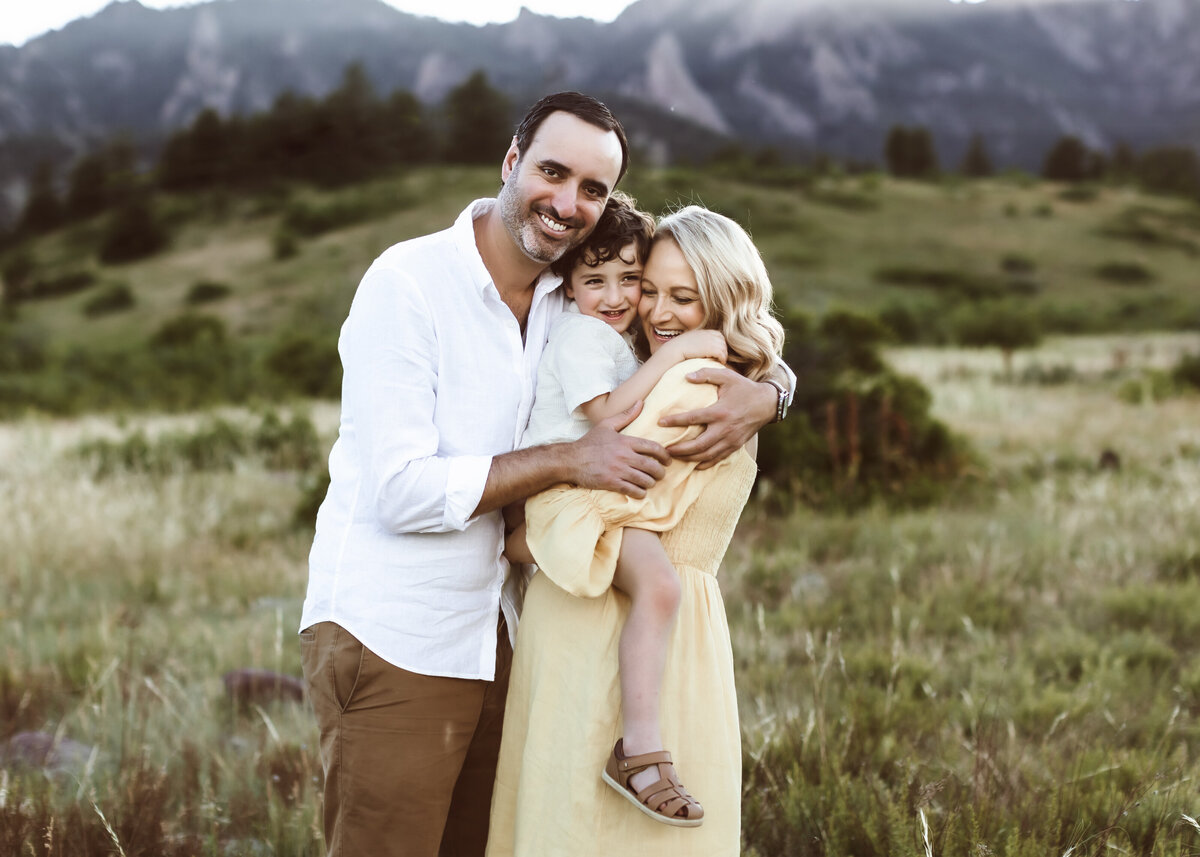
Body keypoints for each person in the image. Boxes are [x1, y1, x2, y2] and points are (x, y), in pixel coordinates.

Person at [298, 91, 787, 857]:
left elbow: (708, 323)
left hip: (508, 637)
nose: (568, 203)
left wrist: (771, 390)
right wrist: (568, 458)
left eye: (593, 188)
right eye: (553, 172)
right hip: (398, 634)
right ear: (511, 162)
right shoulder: (410, 283)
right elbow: (401, 492)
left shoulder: (578, 297)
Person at [486, 205, 785, 857]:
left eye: (683, 296)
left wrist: (774, 388)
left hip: (607, 627)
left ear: (726, 298)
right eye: (653, 289)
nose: (654, 311)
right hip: (615, 620)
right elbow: (587, 491)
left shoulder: (694, 380)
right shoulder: (684, 374)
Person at [509, 191, 728, 827]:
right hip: (563, 493)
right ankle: (638, 751)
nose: (614, 297)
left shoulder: (614, 340)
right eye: (593, 279)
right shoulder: (581, 337)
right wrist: (676, 354)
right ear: (567, 285)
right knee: (658, 587)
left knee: (653, 588)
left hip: (581, 493)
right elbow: (607, 419)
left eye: (629, 279)